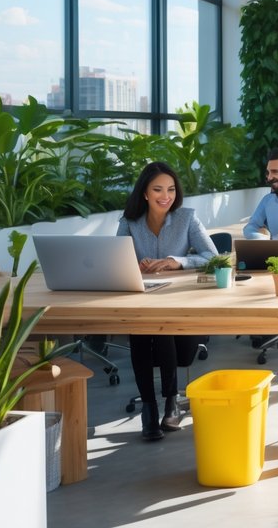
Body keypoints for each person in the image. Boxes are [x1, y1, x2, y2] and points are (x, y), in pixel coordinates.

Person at [117, 161, 216, 441]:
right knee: (139, 331)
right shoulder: (129, 222)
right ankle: (149, 408)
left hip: (177, 303)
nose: (166, 196)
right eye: (158, 189)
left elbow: (213, 256)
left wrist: (177, 261)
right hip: (140, 297)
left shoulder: (187, 218)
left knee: (159, 326)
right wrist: (135, 264)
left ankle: (171, 402)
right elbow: (115, 257)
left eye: (171, 189)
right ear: (145, 193)